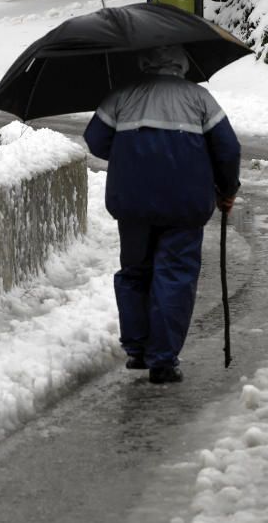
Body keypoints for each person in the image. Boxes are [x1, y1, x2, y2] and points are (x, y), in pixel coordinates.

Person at [84, 45, 240, 384]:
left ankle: (137, 349)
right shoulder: (200, 99)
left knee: (135, 272)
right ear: (183, 63)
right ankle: (163, 361)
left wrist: (130, 154)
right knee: (176, 275)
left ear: (142, 61)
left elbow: (95, 140)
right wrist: (227, 190)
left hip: (133, 204)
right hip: (184, 206)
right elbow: (228, 149)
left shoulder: (122, 95)